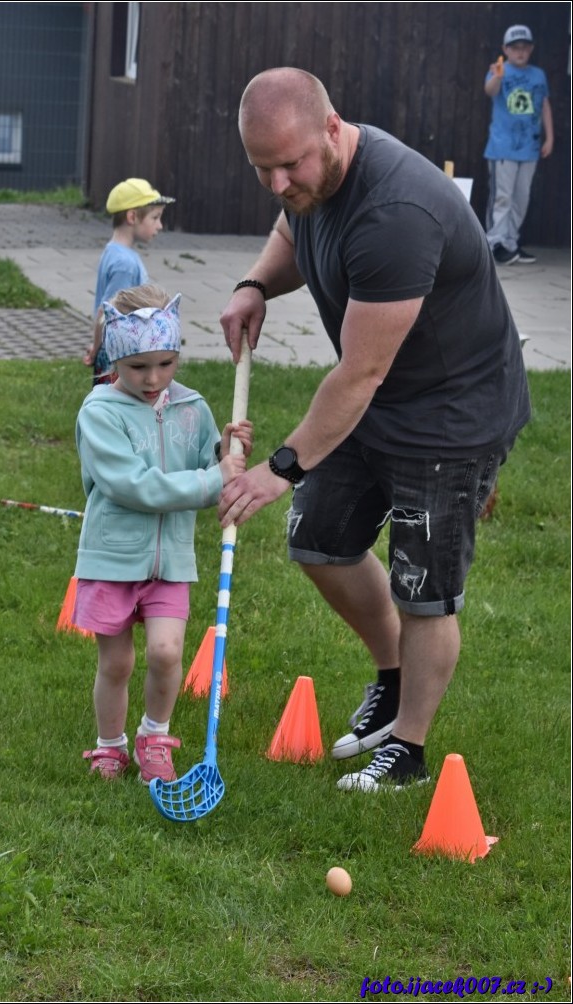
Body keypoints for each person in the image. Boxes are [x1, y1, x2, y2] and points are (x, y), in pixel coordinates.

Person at [218, 67, 530, 792]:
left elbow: (357, 376)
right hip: (382, 395)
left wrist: (280, 468)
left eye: (289, 163)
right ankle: (392, 678)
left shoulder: (395, 212)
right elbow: (290, 228)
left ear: (333, 128)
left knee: (423, 584)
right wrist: (254, 283)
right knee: (319, 540)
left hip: (450, 415)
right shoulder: (310, 181)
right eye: (262, 168)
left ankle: (409, 750)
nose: (278, 182)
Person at [75, 284, 253, 782]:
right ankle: (109, 746)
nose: (153, 379)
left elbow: (210, 474)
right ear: (115, 360)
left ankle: (155, 736)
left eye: (166, 363)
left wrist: (225, 455)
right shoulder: (100, 413)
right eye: (138, 367)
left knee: (167, 652)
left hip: (170, 560)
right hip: (111, 557)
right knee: (116, 664)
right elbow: (133, 486)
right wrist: (211, 478)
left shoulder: (192, 408)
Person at [84, 178, 175, 385]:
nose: (160, 225)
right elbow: (106, 312)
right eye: (155, 217)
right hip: (117, 356)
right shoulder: (124, 263)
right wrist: (97, 347)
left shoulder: (114, 251)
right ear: (132, 216)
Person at [483, 24, 554, 265]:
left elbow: (544, 105)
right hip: (503, 148)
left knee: (521, 197)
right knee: (502, 196)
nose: (520, 52)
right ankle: (495, 243)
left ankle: (511, 243)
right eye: (515, 48)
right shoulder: (499, 70)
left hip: (530, 148)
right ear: (505, 49)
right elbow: (490, 91)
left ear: (531, 49)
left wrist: (550, 137)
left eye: (525, 47)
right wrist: (498, 76)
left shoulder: (538, 75)